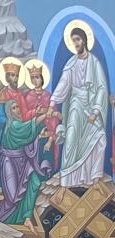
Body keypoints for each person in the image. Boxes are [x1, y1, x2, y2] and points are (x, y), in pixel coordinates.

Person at [50, 24, 110, 188]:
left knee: (100, 139)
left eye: (77, 39)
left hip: (91, 106)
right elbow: (63, 84)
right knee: (71, 140)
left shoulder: (94, 62)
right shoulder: (71, 63)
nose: (75, 43)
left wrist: (96, 111)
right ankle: (68, 181)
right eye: (73, 41)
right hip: (76, 105)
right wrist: (52, 103)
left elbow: (101, 88)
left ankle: (94, 179)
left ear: (84, 40)